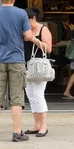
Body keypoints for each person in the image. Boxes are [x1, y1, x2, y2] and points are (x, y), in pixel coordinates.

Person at [0, 0, 43, 143]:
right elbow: (29, 36)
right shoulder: (21, 14)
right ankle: (17, 133)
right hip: (16, 60)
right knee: (16, 98)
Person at [23, 8, 52, 138]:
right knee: (30, 95)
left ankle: (43, 126)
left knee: (39, 94)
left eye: (26, 20)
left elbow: (49, 48)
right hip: (27, 66)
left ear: (33, 18)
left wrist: (33, 39)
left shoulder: (43, 29)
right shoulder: (25, 30)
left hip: (39, 66)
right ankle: (37, 125)